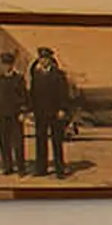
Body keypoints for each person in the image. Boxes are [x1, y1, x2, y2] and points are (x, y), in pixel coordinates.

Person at [27, 46, 72, 176]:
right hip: (40, 113)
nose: (43, 61)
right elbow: (33, 95)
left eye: (45, 58)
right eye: (41, 58)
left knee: (57, 141)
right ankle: (41, 169)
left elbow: (63, 93)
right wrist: (31, 110)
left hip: (55, 113)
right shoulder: (36, 75)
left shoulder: (59, 75)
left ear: (50, 59)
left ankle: (59, 169)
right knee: (40, 141)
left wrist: (62, 109)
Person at [0, 49, 27, 178]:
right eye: (4, 64)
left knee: (17, 142)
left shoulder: (19, 79)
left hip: (16, 115)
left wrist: (22, 111)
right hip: (3, 115)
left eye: (9, 63)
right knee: (3, 142)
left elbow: (24, 96)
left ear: (12, 65)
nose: (7, 66)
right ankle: (7, 166)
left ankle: (21, 168)